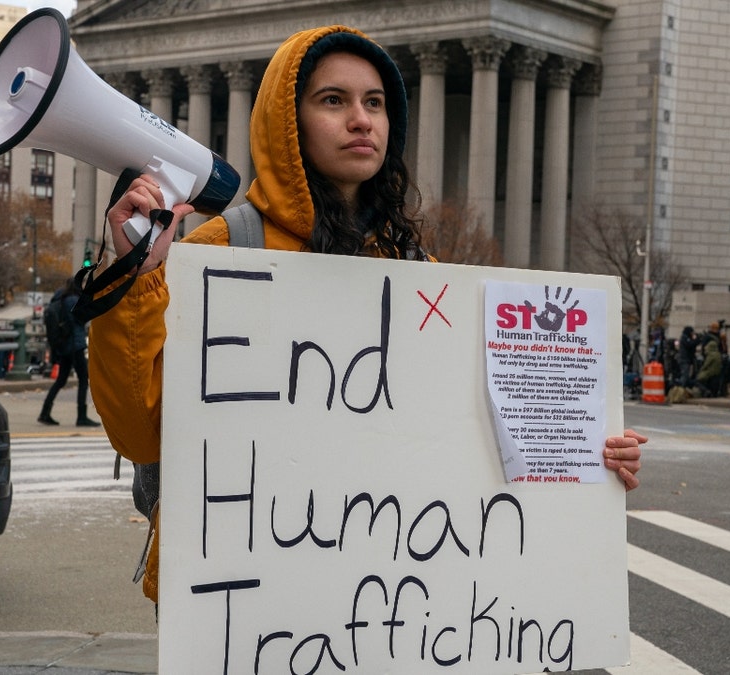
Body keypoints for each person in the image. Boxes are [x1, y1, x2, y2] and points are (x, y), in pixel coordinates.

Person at [85, 26, 646, 603]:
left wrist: (584, 450)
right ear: (287, 122)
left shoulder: (420, 270)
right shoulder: (221, 249)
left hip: (380, 591)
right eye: (334, 100)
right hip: (241, 591)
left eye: (374, 103)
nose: (362, 119)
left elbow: (470, 429)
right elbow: (140, 432)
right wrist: (138, 280)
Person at [38, 278, 100, 427]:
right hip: (74, 345)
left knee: (61, 380)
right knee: (83, 379)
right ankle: (81, 416)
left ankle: (45, 412)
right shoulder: (73, 300)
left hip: (65, 345)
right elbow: (80, 319)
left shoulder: (61, 298)